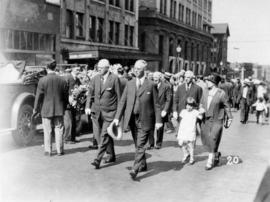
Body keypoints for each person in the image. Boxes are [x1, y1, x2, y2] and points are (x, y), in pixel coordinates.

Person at [112, 59, 162, 180]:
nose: (136, 70)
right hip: (132, 119)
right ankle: (143, 164)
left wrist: (158, 121)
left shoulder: (151, 84)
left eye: (138, 68)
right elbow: (122, 102)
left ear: (144, 70)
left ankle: (135, 169)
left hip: (145, 118)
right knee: (137, 144)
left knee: (140, 144)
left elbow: (156, 104)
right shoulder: (130, 83)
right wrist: (117, 118)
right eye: (135, 68)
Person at [85, 59, 121, 169]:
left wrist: (118, 116)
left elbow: (120, 98)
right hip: (96, 112)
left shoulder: (114, 79)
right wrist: (87, 106)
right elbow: (90, 94)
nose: (99, 69)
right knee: (99, 135)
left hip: (110, 112)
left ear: (107, 68)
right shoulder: (95, 78)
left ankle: (98, 159)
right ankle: (111, 155)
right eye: (98, 68)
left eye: (101, 68)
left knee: (104, 135)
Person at [33, 60, 68, 156]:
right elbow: (66, 96)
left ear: (46, 68)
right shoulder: (62, 80)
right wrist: (64, 106)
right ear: (55, 67)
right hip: (59, 108)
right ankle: (60, 150)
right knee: (59, 129)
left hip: (46, 109)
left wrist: (35, 109)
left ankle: (48, 151)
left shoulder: (42, 80)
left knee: (47, 130)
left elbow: (38, 96)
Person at [200, 73, 233, 170]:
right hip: (206, 119)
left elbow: (227, 106)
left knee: (213, 138)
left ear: (213, 82)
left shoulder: (221, 93)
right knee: (205, 138)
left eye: (208, 81)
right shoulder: (205, 91)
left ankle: (210, 161)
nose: (206, 82)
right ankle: (216, 153)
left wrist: (230, 118)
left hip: (217, 119)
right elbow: (202, 103)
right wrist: (200, 109)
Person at [148, 72, 172, 149]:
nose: (155, 78)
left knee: (160, 127)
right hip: (151, 109)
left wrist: (165, 110)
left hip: (161, 110)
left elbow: (168, 99)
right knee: (150, 126)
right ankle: (150, 143)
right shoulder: (150, 85)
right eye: (154, 76)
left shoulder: (166, 86)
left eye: (157, 76)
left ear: (160, 77)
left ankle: (158, 143)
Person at [177, 97, 203, 165]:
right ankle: (186, 154)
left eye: (191, 105)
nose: (189, 107)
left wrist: (201, 110)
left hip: (190, 131)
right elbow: (180, 121)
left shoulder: (195, 112)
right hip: (183, 130)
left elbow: (201, 117)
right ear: (186, 105)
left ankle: (192, 158)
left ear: (193, 106)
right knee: (181, 143)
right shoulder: (183, 111)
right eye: (188, 105)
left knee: (190, 145)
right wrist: (178, 130)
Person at [64, 66, 81, 144]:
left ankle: (72, 138)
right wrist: (68, 98)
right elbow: (64, 90)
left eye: (79, 70)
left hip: (74, 102)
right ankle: (67, 139)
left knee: (74, 120)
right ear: (73, 69)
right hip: (68, 103)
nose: (78, 71)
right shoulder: (68, 78)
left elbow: (79, 87)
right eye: (77, 69)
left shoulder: (77, 79)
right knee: (68, 121)